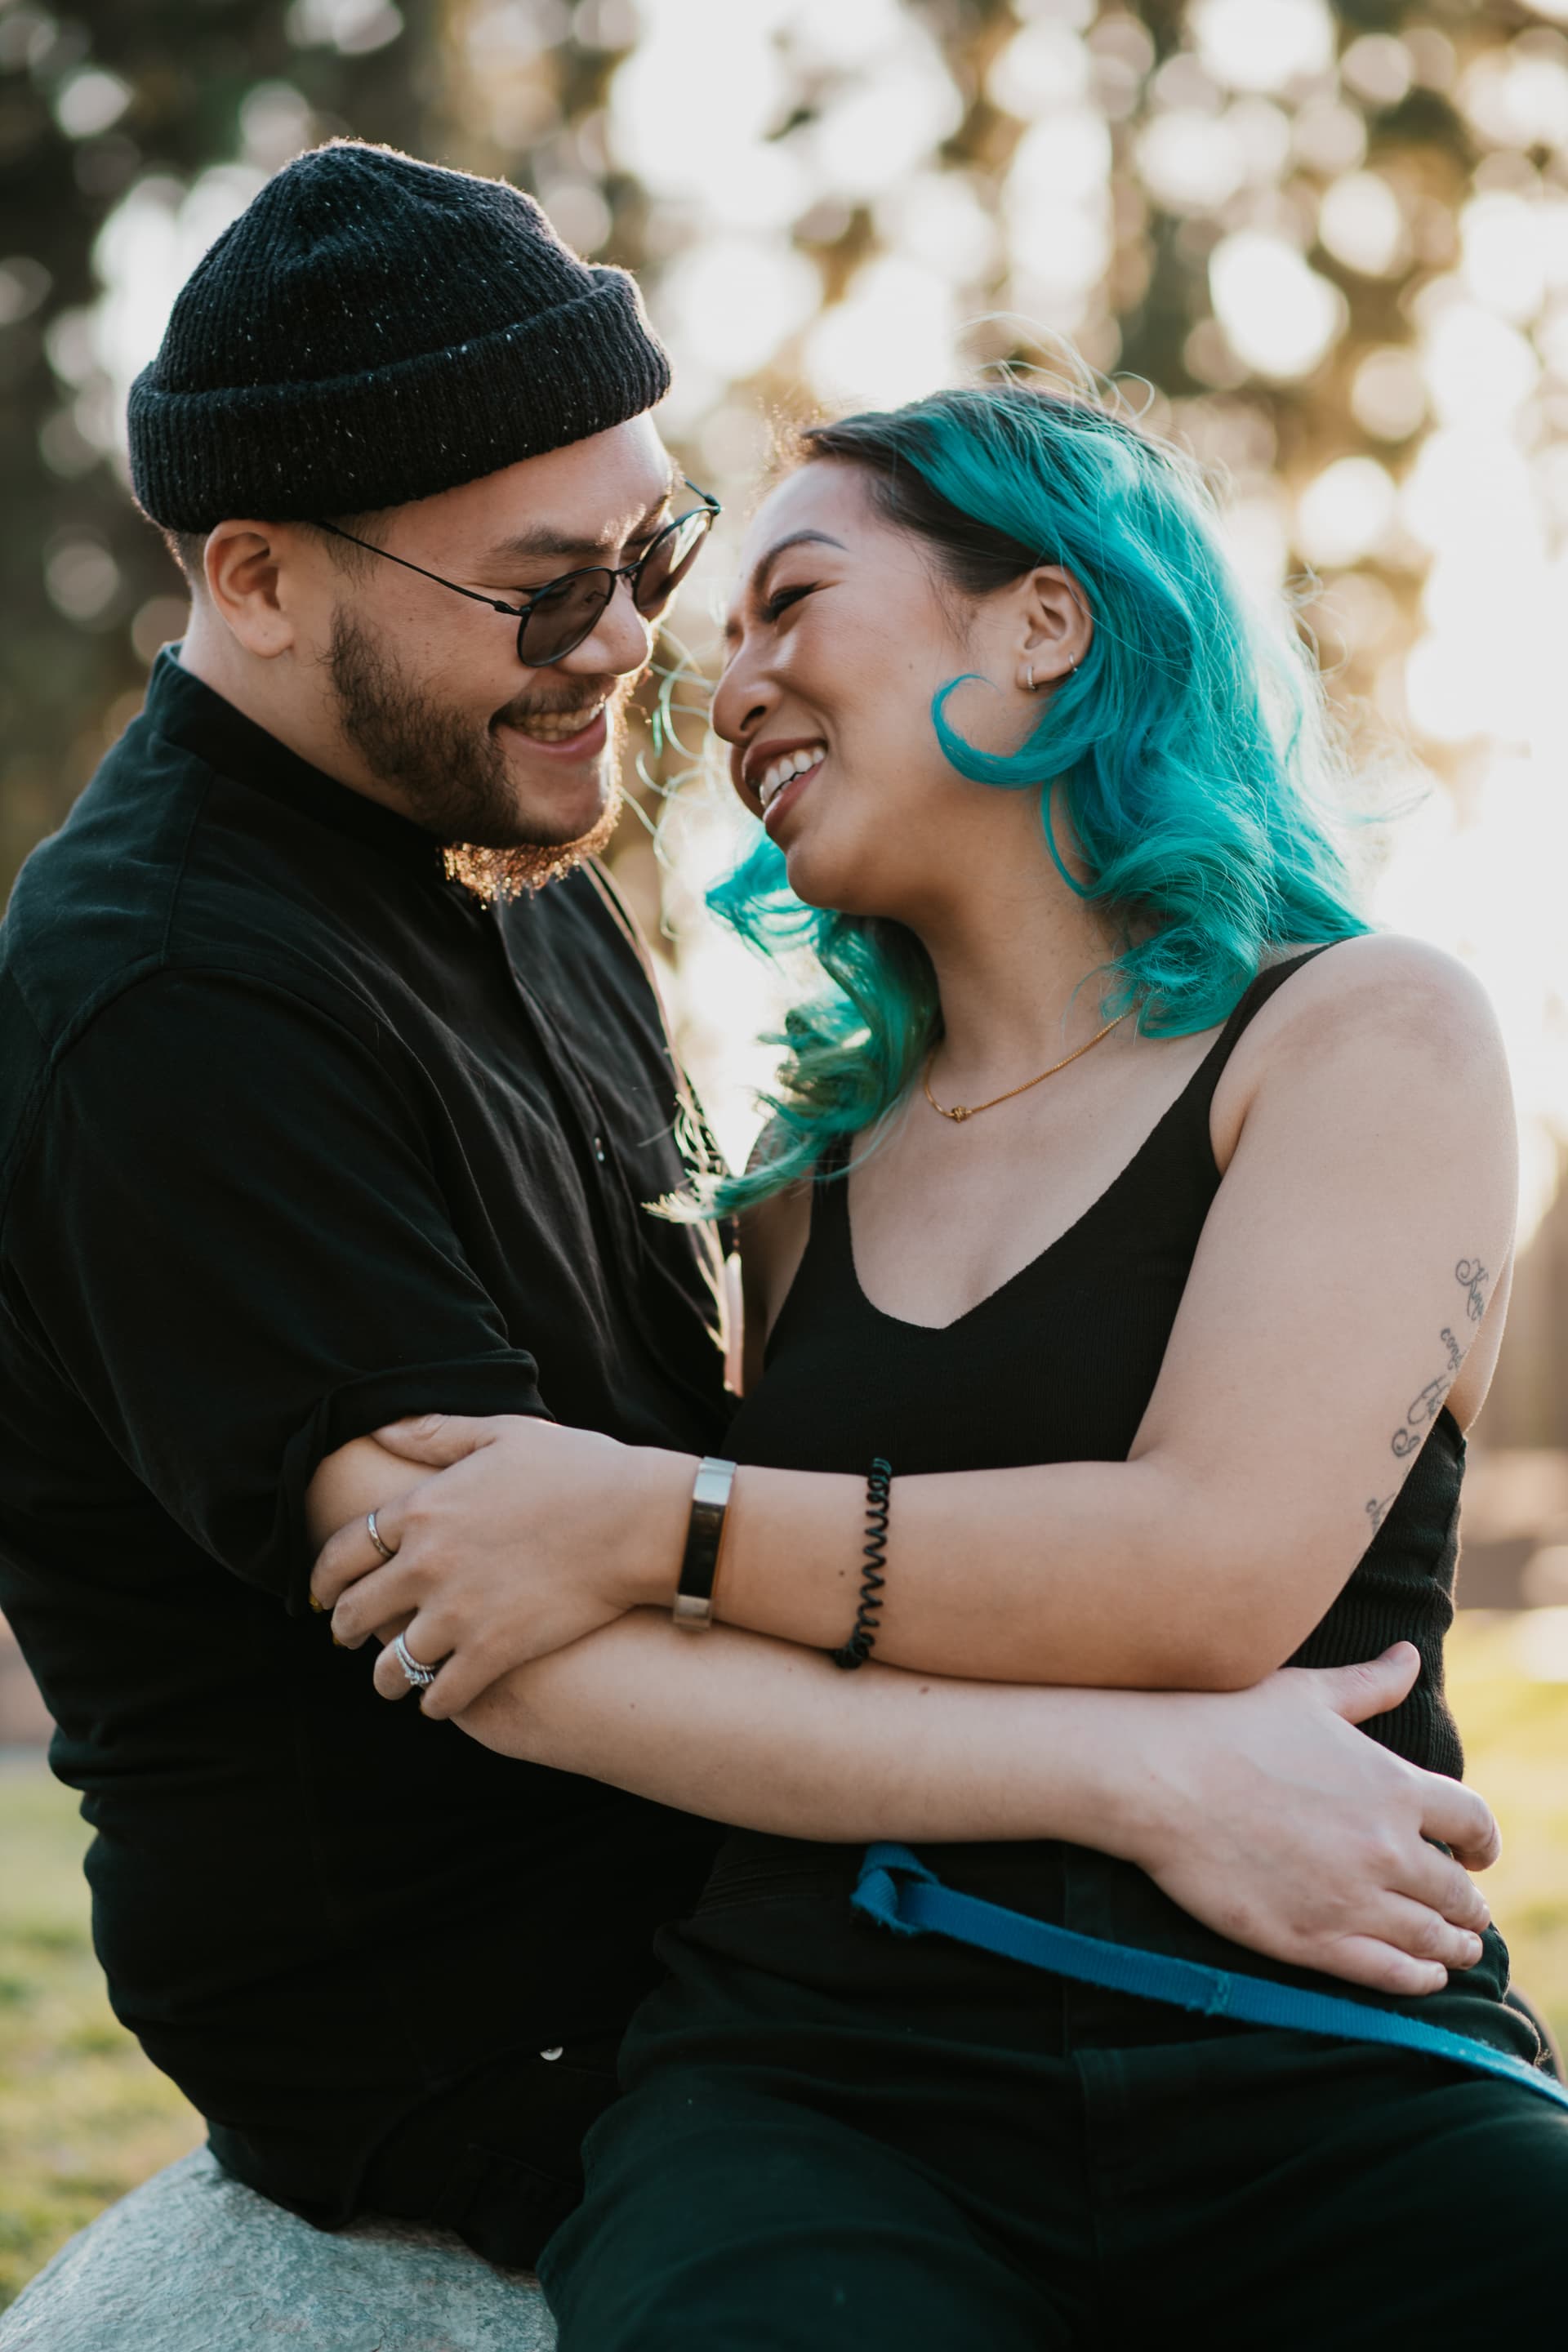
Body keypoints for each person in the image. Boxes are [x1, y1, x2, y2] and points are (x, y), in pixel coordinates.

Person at [0, 138, 1508, 2278]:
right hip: (514, 2047)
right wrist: (1142, 1776)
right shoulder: (171, 991)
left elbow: (670, 1494)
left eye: (658, 555)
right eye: (544, 588)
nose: (634, 649)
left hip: (809, 1963)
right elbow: (489, 1632)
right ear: (253, 578)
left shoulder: (520, 880)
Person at [315, 379, 1568, 2341]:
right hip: (819, 2089)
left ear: (1043, 625)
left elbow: (1205, 1573)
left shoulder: (1365, 1036)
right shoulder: (799, 1183)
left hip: (1328, 2060)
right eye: (729, 645)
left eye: (792, 602)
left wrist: (650, 1518)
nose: (730, 689)